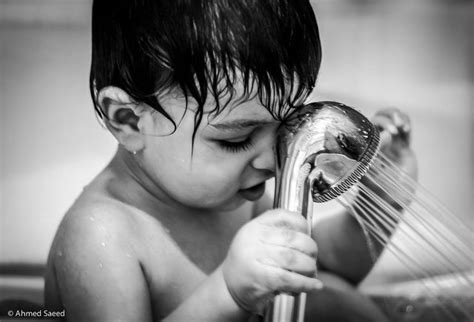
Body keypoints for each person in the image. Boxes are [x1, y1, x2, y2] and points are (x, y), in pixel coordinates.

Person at [44, 0, 417, 321]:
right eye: (236, 138)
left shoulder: (229, 195)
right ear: (129, 121)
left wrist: (379, 200)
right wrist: (228, 293)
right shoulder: (100, 237)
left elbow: (329, 270)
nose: (274, 159)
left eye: (286, 125)